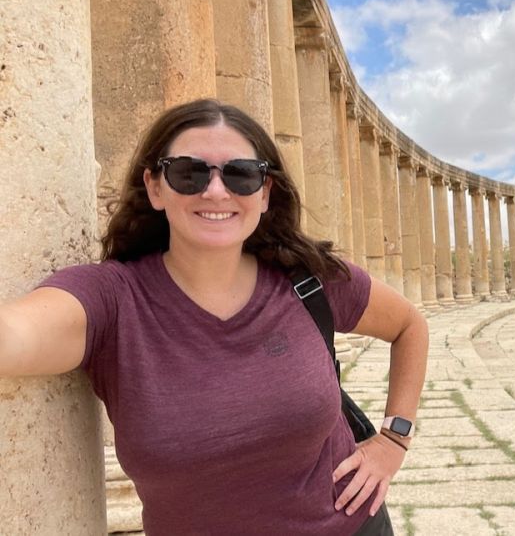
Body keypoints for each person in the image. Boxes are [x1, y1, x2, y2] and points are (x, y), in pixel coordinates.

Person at [0, 100, 428, 535]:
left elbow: (409, 325)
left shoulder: (307, 279)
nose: (217, 192)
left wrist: (393, 440)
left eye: (241, 174)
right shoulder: (113, 300)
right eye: (190, 172)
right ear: (155, 187)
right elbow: (16, 335)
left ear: (264, 193)